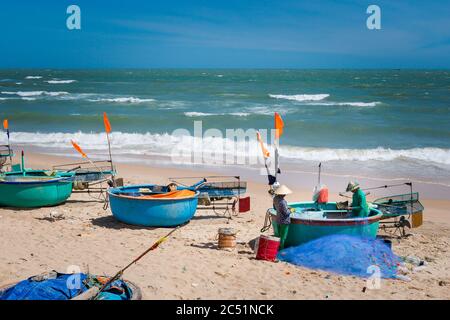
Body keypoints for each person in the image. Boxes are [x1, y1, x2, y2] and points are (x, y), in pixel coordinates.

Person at [272, 185, 293, 249]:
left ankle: (277, 248)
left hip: (278, 219)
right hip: (284, 221)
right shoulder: (283, 202)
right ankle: (281, 250)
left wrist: (286, 208)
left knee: (278, 236)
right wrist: (291, 210)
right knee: (283, 237)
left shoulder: (275, 198)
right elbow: (286, 213)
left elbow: (275, 208)